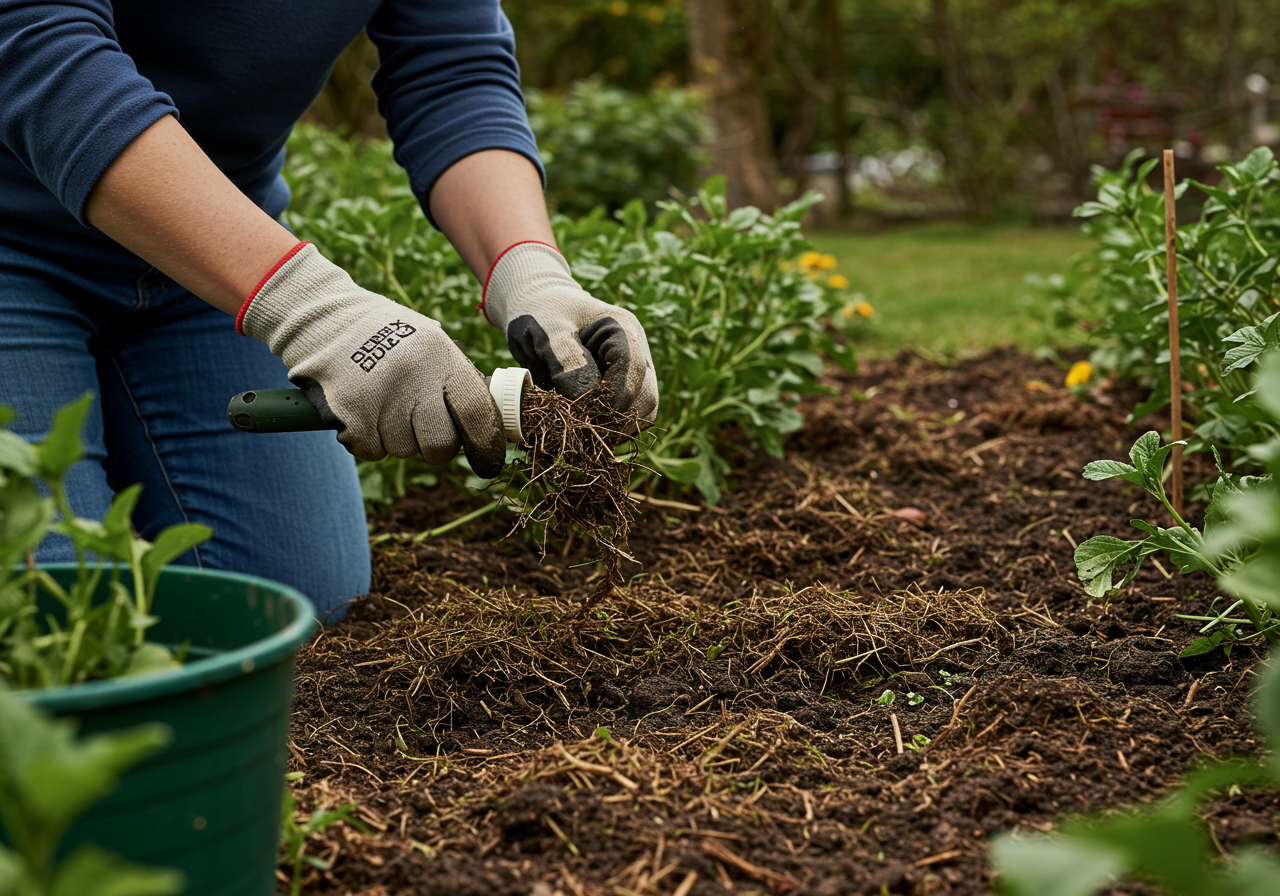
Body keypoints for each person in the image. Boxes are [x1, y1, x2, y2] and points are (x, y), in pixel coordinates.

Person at [0, 1, 659, 621]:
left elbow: (452, 67)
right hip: (16, 237)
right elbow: (34, 47)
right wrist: (311, 306)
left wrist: (531, 273)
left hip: (205, 264)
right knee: (51, 619)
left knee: (296, 606)